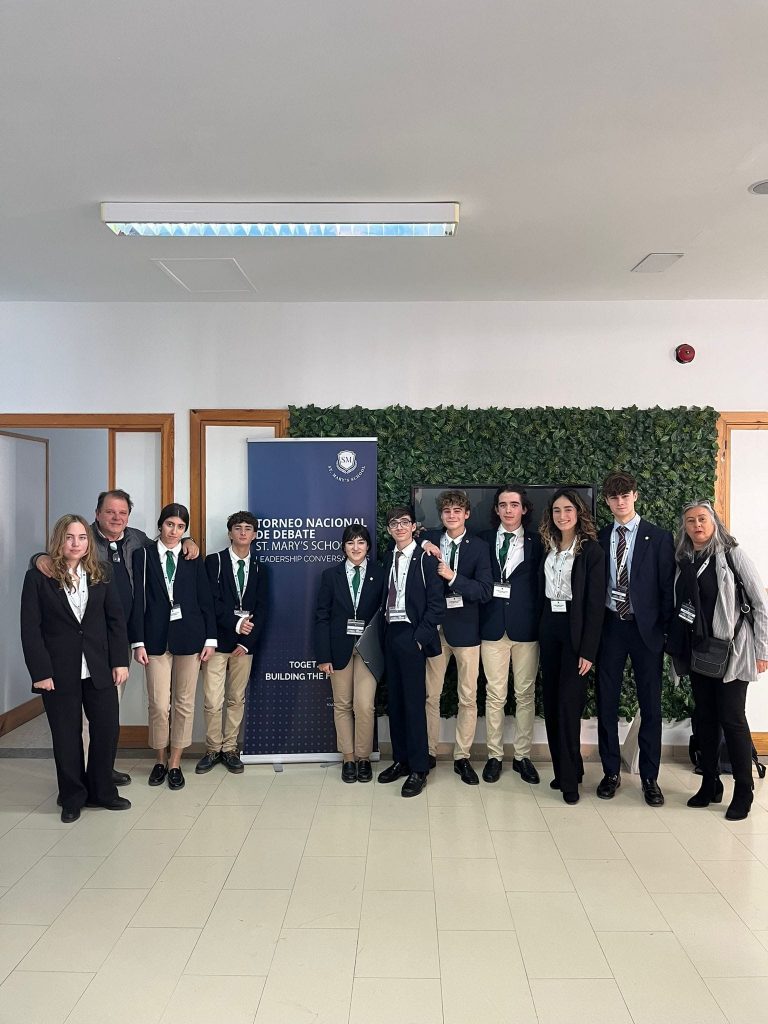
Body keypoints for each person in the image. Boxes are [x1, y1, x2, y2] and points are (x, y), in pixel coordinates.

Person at [31, 488, 199, 786]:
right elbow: (55, 555)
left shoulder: (138, 539)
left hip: (126, 635)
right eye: (110, 512)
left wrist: (188, 540)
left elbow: (168, 542)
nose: (116, 517)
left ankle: (102, 772)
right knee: (86, 717)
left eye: (122, 513)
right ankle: (82, 776)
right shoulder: (83, 538)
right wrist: (38, 557)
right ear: (97, 513)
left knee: (108, 713)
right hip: (90, 640)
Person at [20, 515, 131, 823]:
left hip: (99, 668)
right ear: (59, 540)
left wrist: (120, 661)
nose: (76, 543)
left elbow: (115, 621)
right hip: (57, 672)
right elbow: (30, 629)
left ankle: (102, 791)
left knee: (106, 730)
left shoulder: (102, 573)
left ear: (88, 542)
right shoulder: (38, 577)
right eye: (69, 537)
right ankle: (72, 796)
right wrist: (40, 672)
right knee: (66, 736)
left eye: (82, 537)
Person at [666, 500, 768, 820]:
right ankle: (710, 784)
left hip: (733, 651)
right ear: (684, 527)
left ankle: (744, 790)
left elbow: (760, 604)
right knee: (706, 718)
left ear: (714, 522)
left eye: (702, 519)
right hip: (700, 652)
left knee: (732, 719)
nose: (697, 525)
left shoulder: (733, 555)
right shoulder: (685, 559)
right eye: (691, 521)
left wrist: (763, 651)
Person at [596, 471, 675, 807]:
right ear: (607, 501)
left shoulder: (658, 537)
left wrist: (666, 632)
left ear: (635, 496)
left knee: (651, 705)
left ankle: (650, 777)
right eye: (614, 497)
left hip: (646, 631)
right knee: (606, 702)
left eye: (625, 495)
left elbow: (667, 588)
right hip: (611, 628)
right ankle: (610, 772)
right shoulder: (600, 537)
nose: (620, 502)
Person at [129, 502, 217, 791]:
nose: (174, 531)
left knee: (184, 702)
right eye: (170, 524)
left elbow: (205, 599)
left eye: (181, 527)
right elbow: (137, 601)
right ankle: (159, 759)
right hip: (154, 639)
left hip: (190, 638)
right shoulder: (143, 555)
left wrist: (210, 639)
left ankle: (176, 762)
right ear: (160, 525)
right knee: (158, 704)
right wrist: (138, 641)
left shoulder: (193, 557)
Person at [420, 490, 493, 784]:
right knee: (431, 695)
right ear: (441, 515)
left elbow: (484, 590)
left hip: (466, 631)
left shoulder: (480, 546)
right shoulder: (430, 539)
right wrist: (423, 542)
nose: (451, 515)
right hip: (435, 630)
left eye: (457, 511)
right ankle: (428, 752)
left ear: (467, 515)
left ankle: (462, 756)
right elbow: (406, 536)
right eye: (447, 511)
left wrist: (452, 577)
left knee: (468, 697)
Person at [538, 489, 605, 804]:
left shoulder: (591, 551)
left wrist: (588, 651)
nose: (562, 516)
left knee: (568, 705)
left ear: (578, 513)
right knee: (552, 704)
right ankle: (568, 769)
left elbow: (595, 605)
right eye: (556, 510)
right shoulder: (548, 546)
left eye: (567, 510)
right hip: (549, 628)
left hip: (575, 632)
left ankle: (569, 783)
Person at [478, 485, 544, 784]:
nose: (508, 510)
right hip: (492, 628)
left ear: (524, 509)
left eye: (514, 504)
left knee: (525, 695)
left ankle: (522, 757)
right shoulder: (482, 540)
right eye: (503, 504)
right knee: (494, 694)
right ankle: (494, 756)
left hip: (526, 629)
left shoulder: (538, 542)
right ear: (496, 509)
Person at [378, 505, 445, 797]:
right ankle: (401, 760)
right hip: (390, 633)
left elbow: (436, 604)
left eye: (405, 522)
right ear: (389, 529)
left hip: (412, 635)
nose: (400, 527)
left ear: (414, 526)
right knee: (395, 702)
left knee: (414, 704)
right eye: (394, 523)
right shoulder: (387, 557)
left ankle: (419, 768)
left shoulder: (426, 557)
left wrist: (419, 639)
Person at [196, 511, 268, 775]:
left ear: (255, 535)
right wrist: (236, 624)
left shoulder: (260, 568)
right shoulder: (214, 562)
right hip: (216, 642)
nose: (243, 532)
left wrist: (247, 641)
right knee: (212, 700)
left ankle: (229, 748)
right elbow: (210, 602)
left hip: (243, 646)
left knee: (237, 698)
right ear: (230, 533)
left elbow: (262, 608)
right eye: (238, 528)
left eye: (248, 528)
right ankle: (212, 749)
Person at [315, 523, 385, 782]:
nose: (356, 547)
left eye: (361, 542)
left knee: (364, 705)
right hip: (338, 649)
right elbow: (322, 616)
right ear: (343, 547)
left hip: (369, 649)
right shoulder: (330, 576)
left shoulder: (380, 574)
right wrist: (323, 656)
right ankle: (348, 758)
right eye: (350, 542)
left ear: (368, 546)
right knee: (342, 704)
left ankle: (364, 757)